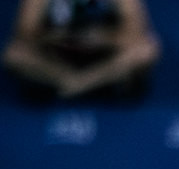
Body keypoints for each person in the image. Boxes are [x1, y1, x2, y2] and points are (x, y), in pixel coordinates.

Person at [4, 0, 156, 102]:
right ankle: (65, 80)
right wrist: (59, 37)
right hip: (57, 56)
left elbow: (135, 32)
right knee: (15, 54)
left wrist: (102, 37)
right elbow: (25, 33)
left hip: (102, 57)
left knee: (146, 50)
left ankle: (79, 84)